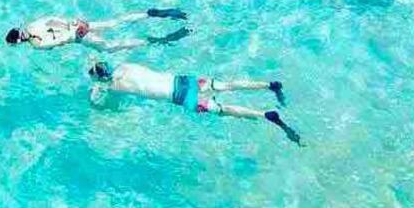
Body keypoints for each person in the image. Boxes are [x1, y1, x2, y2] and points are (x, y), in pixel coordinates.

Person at [87, 61, 301, 145]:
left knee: (224, 110)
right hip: (184, 81)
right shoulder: (126, 66)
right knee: (226, 86)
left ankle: (264, 115)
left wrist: (96, 95)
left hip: (181, 98)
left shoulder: (114, 87)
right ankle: (268, 85)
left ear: (100, 78)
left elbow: (109, 107)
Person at [5, 8, 190, 51]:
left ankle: (157, 40)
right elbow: (53, 19)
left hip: (79, 35)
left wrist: (76, 30)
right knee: (114, 23)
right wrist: (74, 22)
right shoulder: (32, 26)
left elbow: (59, 40)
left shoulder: (36, 44)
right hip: (78, 26)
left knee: (110, 47)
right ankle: (149, 13)